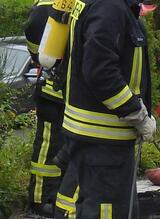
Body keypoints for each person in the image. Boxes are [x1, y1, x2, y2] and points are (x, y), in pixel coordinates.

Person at [57, 0, 156, 218]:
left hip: (102, 138)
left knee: (107, 207)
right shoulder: (109, 7)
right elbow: (100, 71)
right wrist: (136, 113)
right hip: (102, 139)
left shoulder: (113, 6)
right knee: (106, 211)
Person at [23, 0, 75, 217]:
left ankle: (54, 197)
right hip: (54, 91)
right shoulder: (54, 4)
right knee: (47, 148)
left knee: (63, 147)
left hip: (65, 91)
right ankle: (40, 199)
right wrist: (40, 57)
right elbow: (34, 28)